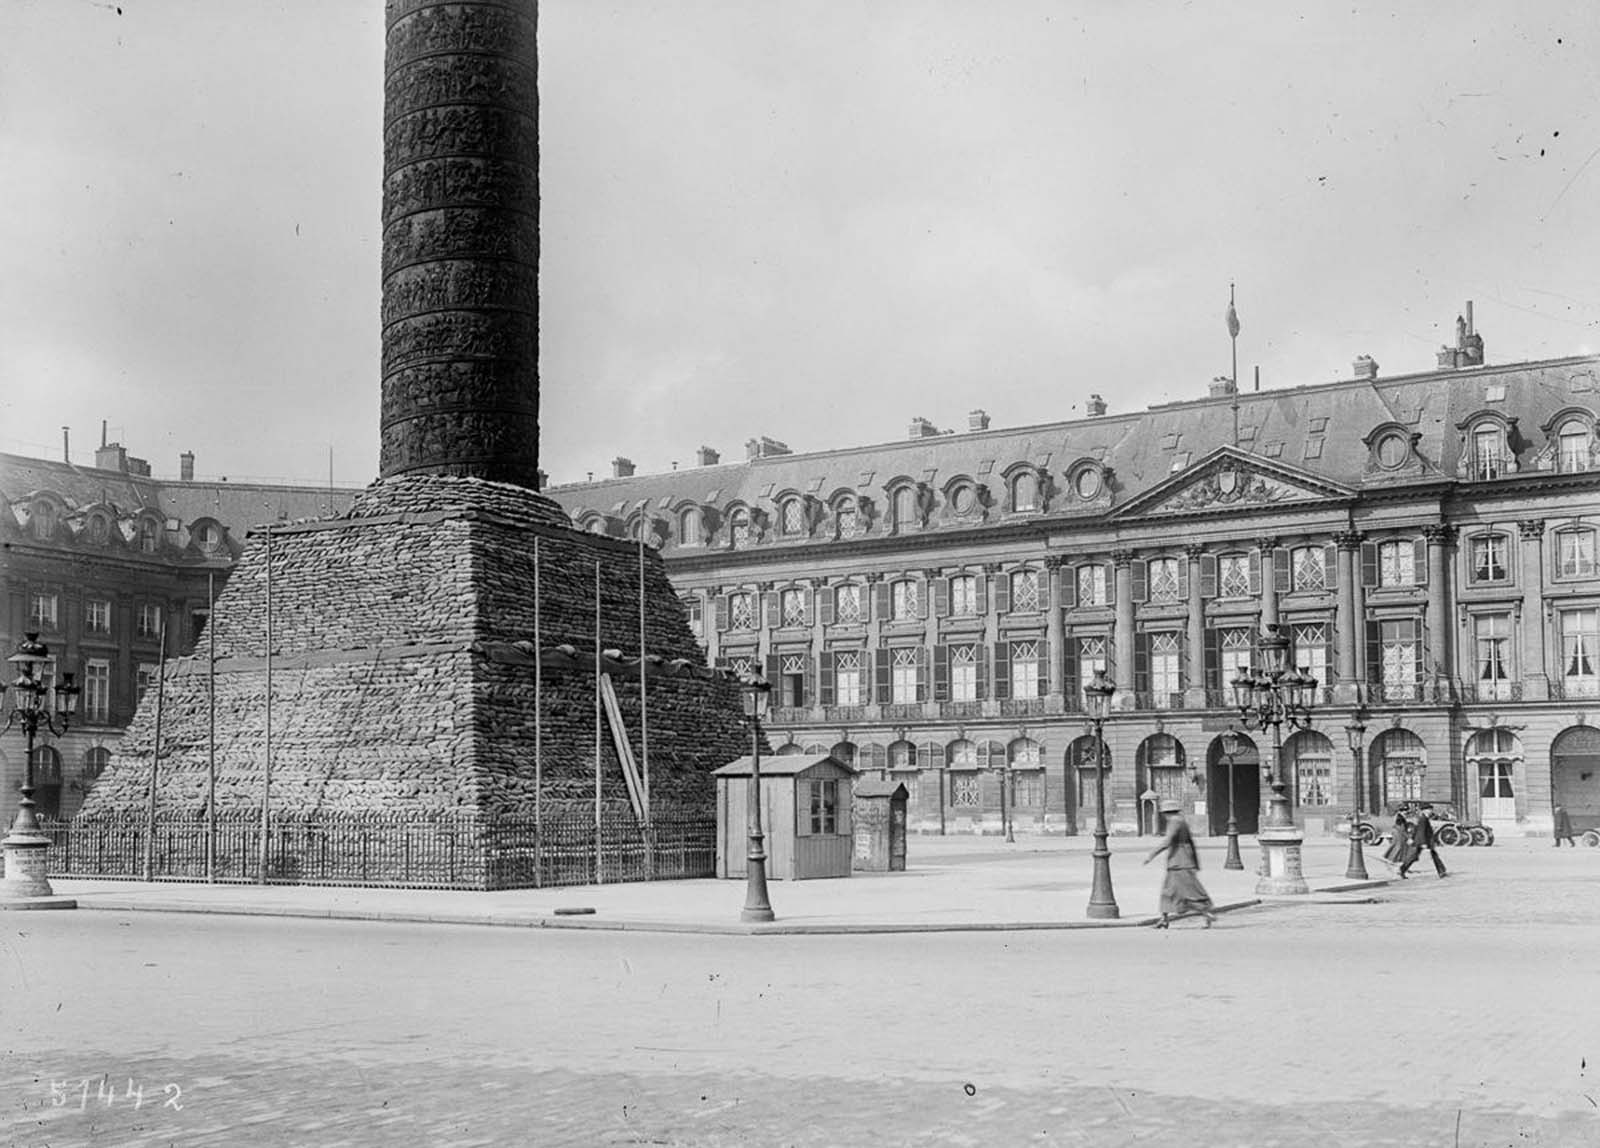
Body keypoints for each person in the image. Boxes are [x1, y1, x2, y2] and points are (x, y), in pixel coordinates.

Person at [1142, 800, 1217, 928]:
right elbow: (1191, 843)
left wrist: (1152, 854)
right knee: (1170, 890)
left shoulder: (1174, 822)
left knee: (1188, 891)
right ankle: (1164, 919)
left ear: (1167, 813)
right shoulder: (1181, 821)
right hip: (1181, 861)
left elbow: (1168, 841)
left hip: (1179, 862)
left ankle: (1206, 913)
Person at [1400, 806, 1448, 878]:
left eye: (1431, 810)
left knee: (1417, 856)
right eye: (1429, 810)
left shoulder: (1423, 818)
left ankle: (1441, 871)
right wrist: (1423, 843)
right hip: (1422, 840)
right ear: (1424, 811)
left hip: (1423, 840)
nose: (1430, 811)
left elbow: (1416, 829)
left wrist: (1413, 839)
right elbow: (1421, 831)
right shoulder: (1423, 819)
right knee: (1415, 856)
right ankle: (1402, 869)